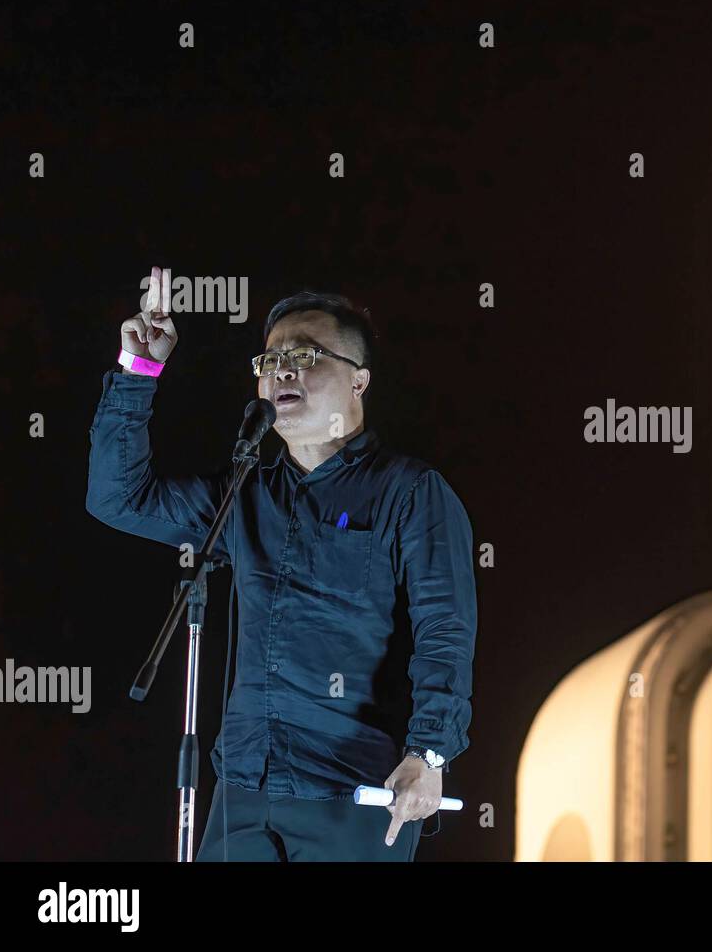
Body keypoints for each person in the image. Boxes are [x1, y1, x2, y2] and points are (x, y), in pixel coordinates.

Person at [86, 266, 477, 861]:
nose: (282, 370)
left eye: (308, 355)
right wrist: (139, 370)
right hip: (243, 790)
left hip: (353, 794)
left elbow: (445, 629)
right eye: (269, 360)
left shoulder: (409, 492)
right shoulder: (247, 491)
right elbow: (119, 499)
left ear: (359, 381)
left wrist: (430, 754)